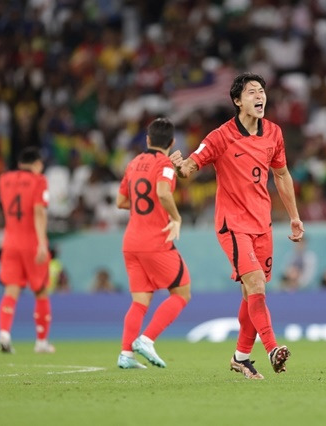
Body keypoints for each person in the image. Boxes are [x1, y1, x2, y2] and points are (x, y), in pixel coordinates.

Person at [170, 72, 304, 379]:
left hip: (262, 223)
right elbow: (191, 166)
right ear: (237, 101)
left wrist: (294, 216)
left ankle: (241, 358)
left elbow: (281, 176)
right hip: (232, 224)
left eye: (262, 91)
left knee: (251, 293)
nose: (260, 96)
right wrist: (180, 167)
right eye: (252, 92)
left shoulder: (273, 133)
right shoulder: (220, 136)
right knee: (255, 284)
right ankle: (272, 349)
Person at [116, 118, 192, 369]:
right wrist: (176, 217)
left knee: (140, 301)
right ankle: (147, 340)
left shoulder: (134, 163)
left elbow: (121, 202)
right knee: (181, 292)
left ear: (147, 140)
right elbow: (162, 192)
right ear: (172, 143)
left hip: (131, 242)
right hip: (155, 241)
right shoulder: (165, 165)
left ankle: (126, 355)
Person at [0, 147, 54, 354]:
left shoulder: (4, 179)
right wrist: (41, 242)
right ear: (37, 164)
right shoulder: (39, 181)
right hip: (31, 241)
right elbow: (39, 211)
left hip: (10, 240)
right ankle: (41, 342)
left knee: (11, 290)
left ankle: (4, 333)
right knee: (40, 290)